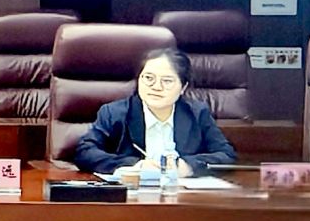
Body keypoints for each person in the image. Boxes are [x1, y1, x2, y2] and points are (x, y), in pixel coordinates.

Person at [73, 46, 237, 176]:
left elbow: (226, 154)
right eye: (149, 78)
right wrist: (135, 165)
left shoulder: (197, 113)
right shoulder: (114, 113)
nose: (156, 87)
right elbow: (85, 152)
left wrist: (187, 165)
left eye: (167, 81)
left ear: (183, 87)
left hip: (181, 196)